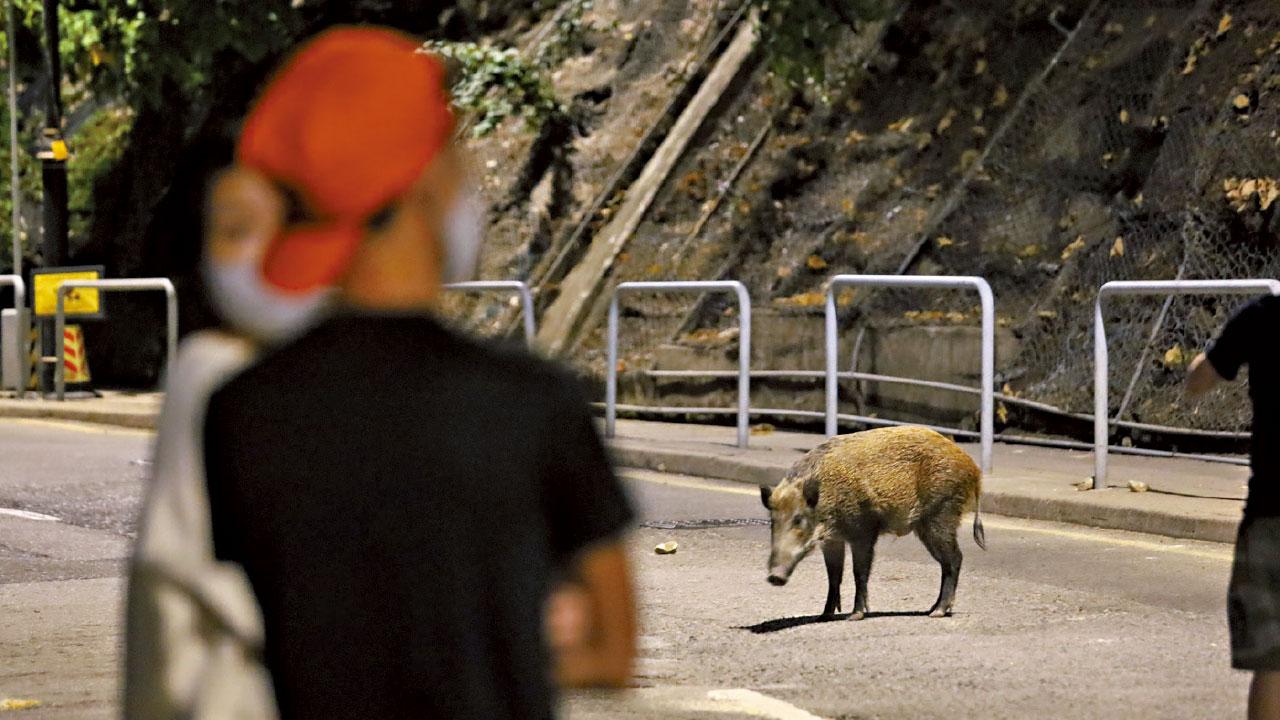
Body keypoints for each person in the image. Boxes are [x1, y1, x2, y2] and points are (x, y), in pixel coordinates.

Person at [196, 27, 636, 719]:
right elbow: (611, 649)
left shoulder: (239, 413)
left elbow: (285, 622)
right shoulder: (532, 402)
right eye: (455, 151)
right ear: (424, 181)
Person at [124, 163, 331, 717]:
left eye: (285, 230)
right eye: (237, 231)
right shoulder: (211, 376)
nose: (264, 254)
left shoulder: (216, 376)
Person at [1186, 293, 1280, 720]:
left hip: (1272, 512)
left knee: (1273, 666)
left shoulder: (1263, 316)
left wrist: (1205, 359)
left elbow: (1199, 380)